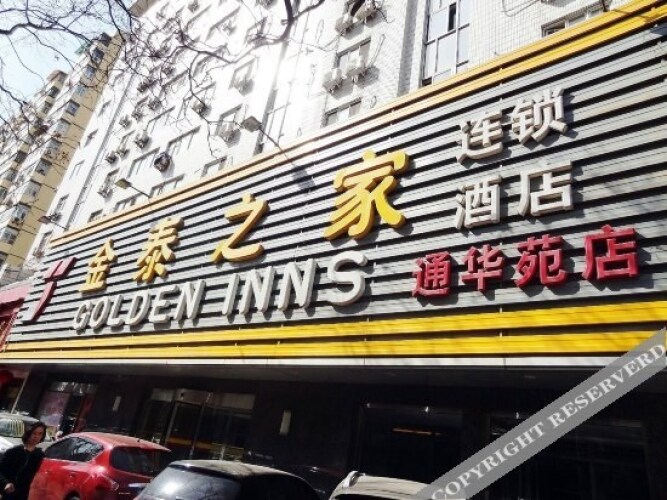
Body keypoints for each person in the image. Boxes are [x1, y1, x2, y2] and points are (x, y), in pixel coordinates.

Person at [0, 421, 46, 500]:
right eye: (34, 433)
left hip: (26, 495)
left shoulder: (40, 455)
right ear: (28, 433)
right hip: (9, 493)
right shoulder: (12, 452)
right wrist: (6, 483)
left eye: (40, 434)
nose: (36, 436)